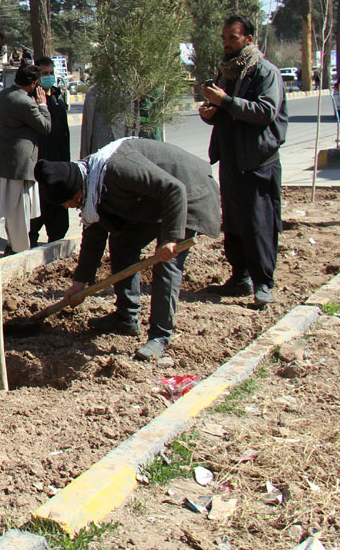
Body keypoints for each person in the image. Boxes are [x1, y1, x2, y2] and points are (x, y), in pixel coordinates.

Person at [34, 138, 221, 361]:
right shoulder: (91, 182)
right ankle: (126, 317)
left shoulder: (116, 170)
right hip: (155, 199)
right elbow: (94, 233)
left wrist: (170, 239)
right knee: (122, 242)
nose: (68, 208)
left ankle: (160, 336)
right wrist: (79, 282)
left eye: (67, 204)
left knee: (165, 263)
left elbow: (174, 189)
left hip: (189, 193)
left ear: (77, 194)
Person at [199, 14, 288, 307]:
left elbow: (265, 112)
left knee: (259, 222)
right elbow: (226, 111)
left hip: (258, 162)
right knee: (235, 223)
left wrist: (225, 101)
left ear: (248, 39)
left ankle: (263, 282)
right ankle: (240, 278)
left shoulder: (265, 72)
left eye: (232, 38)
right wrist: (211, 111)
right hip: (232, 160)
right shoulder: (227, 73)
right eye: (224, 38)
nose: (226, 44)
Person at [0, 63, 50, 254]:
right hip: (21, 165)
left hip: (4, 161)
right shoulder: (26, 102)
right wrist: (42, 105)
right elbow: (45, 126)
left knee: (10, 209)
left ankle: (13, 244)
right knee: (20, 210)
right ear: (34, 84)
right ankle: (18, 248)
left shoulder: (2, 95)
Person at [29, 56, 71, 245]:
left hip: (59, 160)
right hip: (39, 161)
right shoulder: (31, 99)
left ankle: (56, 238)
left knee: (58, 204)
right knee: (37, 205)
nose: (49, 77)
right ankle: (29, 240)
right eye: (44, 73)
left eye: (51, 73)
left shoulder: (58, 96)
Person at [79, 84, 125, 159]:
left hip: (121, 151)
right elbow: (87, 127)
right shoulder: (94, 91)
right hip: (100, 151)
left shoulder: (127, 91)